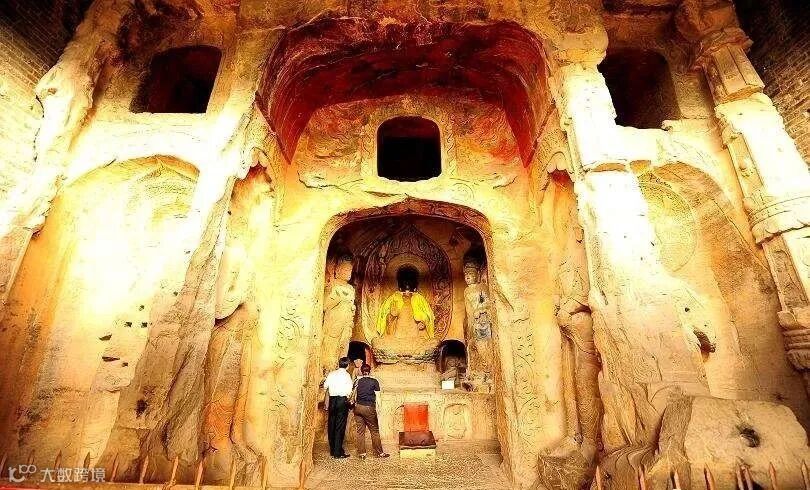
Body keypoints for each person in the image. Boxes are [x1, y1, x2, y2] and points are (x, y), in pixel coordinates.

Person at [352, 363, 389, 459]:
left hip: (357, 407)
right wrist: (379, 409)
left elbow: (354, 394)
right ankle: (379, 453)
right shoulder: (374, 381)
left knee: (360, 431)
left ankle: (362, 454)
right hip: (368, 407)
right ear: (370, 371)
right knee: (374, 431)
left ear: (361, 371)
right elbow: (378, 397)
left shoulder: (357, 381)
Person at [323, 357, 353, 458]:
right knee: (340, 426)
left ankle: (332, 450)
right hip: (342, 401)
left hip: (332, 400)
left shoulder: (332, 374)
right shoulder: (347, 375)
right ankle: (338, 452)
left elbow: (325, 386)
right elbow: (349, 391)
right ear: (347, 365)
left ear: (339, 364)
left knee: (331, 424)